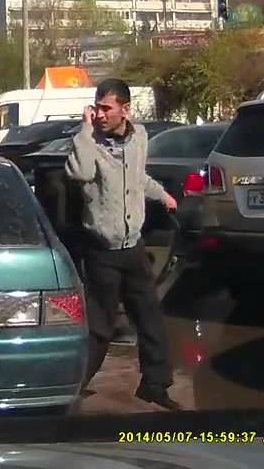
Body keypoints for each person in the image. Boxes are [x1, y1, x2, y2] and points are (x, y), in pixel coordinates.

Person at [65, 78, 180, 410]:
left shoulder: (139, 138)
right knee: (100, 327)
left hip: (133, 247)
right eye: (96, 107)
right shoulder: (88, 143)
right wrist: (84, 131)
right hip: (102, 251)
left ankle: (155, 385)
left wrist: (162, 195)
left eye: (106, 108)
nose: (100, 114)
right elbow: (82, 173)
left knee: (150, 319)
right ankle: (72, 386)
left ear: (124, 109)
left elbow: (138, 177)